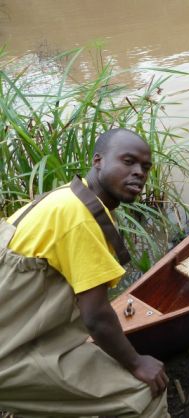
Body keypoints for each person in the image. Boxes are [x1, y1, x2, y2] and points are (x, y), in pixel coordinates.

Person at [0, 128, 170, 417]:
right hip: (11, 356)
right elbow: (96, 317)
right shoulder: (78, 218)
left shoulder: (65, 198)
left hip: (18, 334)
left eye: (145, 167)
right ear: (98, 161)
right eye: (128, 161)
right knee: (142, 394)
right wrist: (137, 363)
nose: (139, 173)